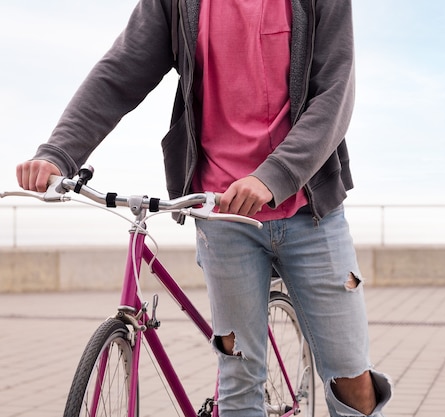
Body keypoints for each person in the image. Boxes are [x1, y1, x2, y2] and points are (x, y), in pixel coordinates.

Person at [16, 1, 391, 416]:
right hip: (220, 214)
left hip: (310, 213)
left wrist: (273, 176)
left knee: (351, 380)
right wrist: (58, 152)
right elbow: (118, 74)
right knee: (239, 382)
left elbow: (334, 95)